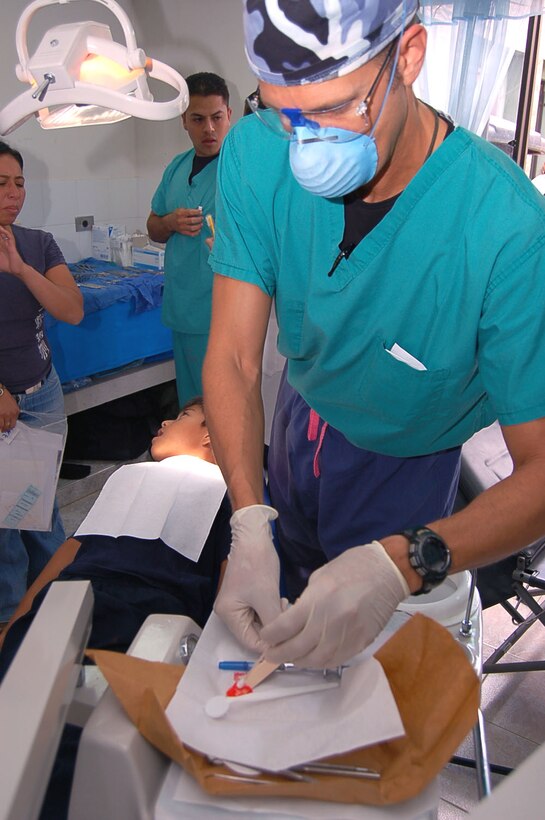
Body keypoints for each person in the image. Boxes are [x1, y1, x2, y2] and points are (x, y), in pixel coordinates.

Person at [202, 1, 545, 669]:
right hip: (297, 428)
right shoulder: (254, 150)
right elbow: (235, 359)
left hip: (406, 460)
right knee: (285, 634)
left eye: (333, 108)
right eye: (283, 109)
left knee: (372, 673)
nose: (305, 144)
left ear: (409, 56)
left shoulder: (504, 229)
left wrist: (405, 561)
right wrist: (248, 518)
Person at [0, 396, 230, 666]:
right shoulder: (127, 476)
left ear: (210, 434)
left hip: (155, 605)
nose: (166, 421)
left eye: (183, 416)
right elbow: (69, 552)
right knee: (21, 672)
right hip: (75, 589)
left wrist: (217, 652)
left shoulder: (225, 491)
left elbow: (231, 574)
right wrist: (11, 631)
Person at [0, 140, 83, 630]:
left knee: (40, 509)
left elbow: (70, 310)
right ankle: (11, 624)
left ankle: (59, 612)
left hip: (41, 394)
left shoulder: (36, 243)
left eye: (19, 183)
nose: (14, 194)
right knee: (5, 527)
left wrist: (20, 268)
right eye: (1, 185)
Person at [147, 72, 232, 407]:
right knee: (190, 406)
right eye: (198, 119)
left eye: (216, 117)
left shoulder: (238, 169)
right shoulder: (176, 168)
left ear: (229, 115)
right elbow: (153, 226)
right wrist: (169, 222)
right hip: (182, 309)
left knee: (220, 407)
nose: (208, 129)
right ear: (184, 120)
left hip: (221, 312)